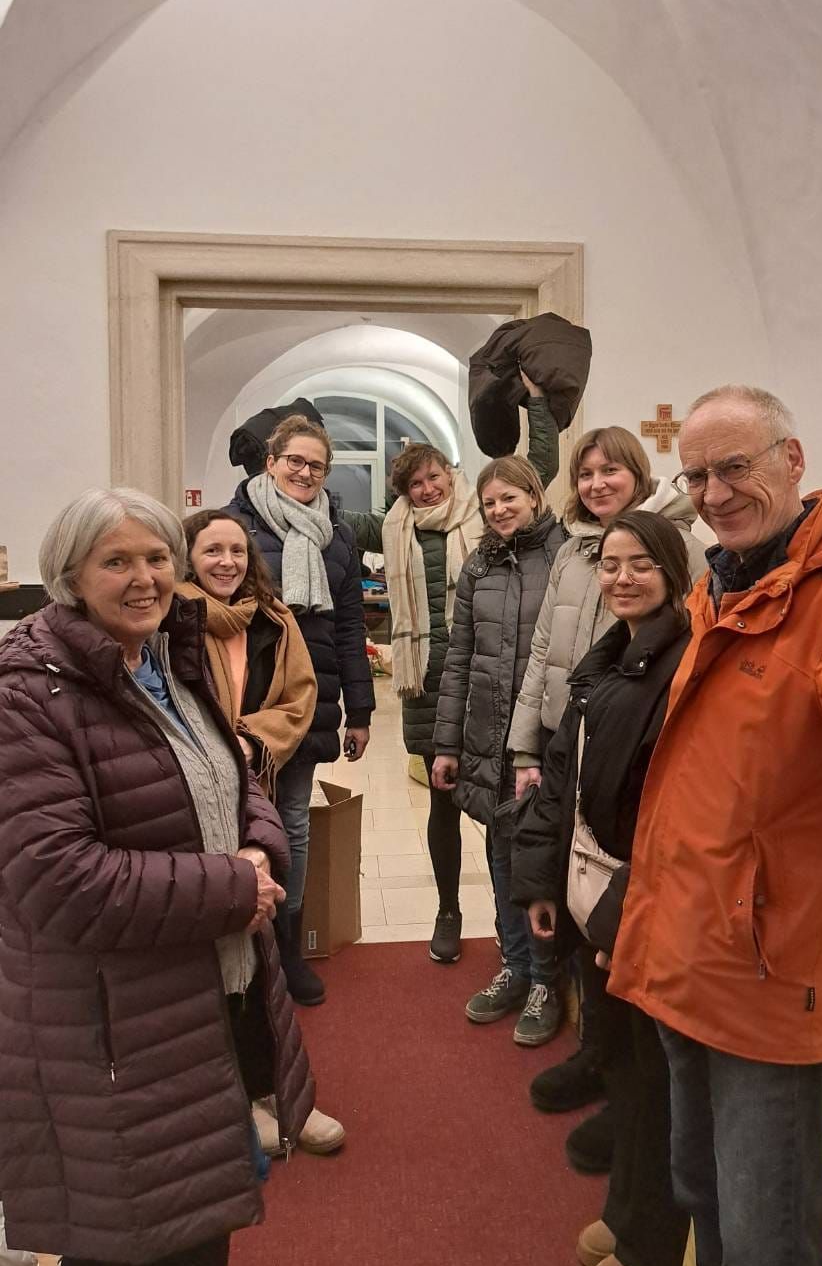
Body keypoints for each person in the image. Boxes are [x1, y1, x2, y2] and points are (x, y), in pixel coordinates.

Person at [608, 386, 822, 1266]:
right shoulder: (724, 581)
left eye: (736, 467)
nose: (715, 493)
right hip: (686, 961)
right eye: (695, 476)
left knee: (770, 1265)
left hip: (770, 982)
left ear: (793, 459)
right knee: (712, 1218)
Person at [0, 489, 313, 1266]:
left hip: (197, 1000)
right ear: (68, 578)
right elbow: (55, 877)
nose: (144, 579)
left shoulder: (163, 662)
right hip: (111, 1024)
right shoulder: (29, 694)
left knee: (192, 1252)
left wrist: (261, 848)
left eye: (155, 559)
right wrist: (235, 888)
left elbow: (234, 774)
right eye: (117, 561)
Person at [508, 425, 708, 1169]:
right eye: (584, 473)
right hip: (579, 726)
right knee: (587, 922)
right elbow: (541, 652)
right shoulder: (570, 552)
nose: (595, 483)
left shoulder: (674, 550)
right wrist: (528, 741)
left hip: (635, 736)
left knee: (623, 937)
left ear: (637, 474)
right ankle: (598, 1059)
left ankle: (631, 1098)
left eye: (609, 471)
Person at [513, 512, 692, 1266]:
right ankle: (625, 1214)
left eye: (639, 564)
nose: (621, 577)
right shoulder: (608, 659)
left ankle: (655, 1249)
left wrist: (626, 917)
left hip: (642, 901)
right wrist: (542, 884)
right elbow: (562, 783)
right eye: (610, 564)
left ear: (673, 570)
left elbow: (669, 817)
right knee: (617, 1059)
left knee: (655, 1081)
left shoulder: (680, 665)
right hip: (595, 892)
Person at [343, 374, 559, 966]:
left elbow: (534, 467)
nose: (429, 487)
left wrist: (538, 404)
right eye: (416, 483)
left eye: (435, 476)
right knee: (442, 801)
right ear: (404, 492)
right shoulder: (390, 529)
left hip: (491, 680)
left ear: (450, 474)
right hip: (428, 684)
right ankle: (447, 909)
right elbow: (326, 511)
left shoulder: (488, 515)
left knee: (504, 803)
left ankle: (510, 923)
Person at [180, 508, 345, 1155]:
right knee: (220, 952)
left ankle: (279, 1085)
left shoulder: (274, 621)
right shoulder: (173, 622)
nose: (226, 562)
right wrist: (223, 746)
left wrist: (254, 740)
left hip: (258, 791)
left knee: (262, 946)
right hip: (193, 804)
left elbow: (299, 698)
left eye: (235, 551)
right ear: (188, 558)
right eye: (211, 550)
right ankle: (236, 1095)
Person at [228, 412, 375, 1005]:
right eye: (295, 461)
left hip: (308, 700)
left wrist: (359, 711)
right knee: (236, 823)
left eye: (317, 465)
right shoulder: (233, 525)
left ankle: (288, 951)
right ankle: (243, 950)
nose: (305, 472)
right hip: (243, 702)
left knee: (292, 822)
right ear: (271, 462)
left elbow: (347, 631)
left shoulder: (336, 538)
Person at [431, 455, 566, 1046]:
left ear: (533, 496)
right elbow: (458, 659)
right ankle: (512, 965)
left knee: (538, 862)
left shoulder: (567, 556)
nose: (500, 509)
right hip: (487, 734)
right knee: (500, 857)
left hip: (543, 740)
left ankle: (546, 980)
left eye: (509, 497)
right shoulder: (476, 566)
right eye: (489, 503)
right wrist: (446, 744)